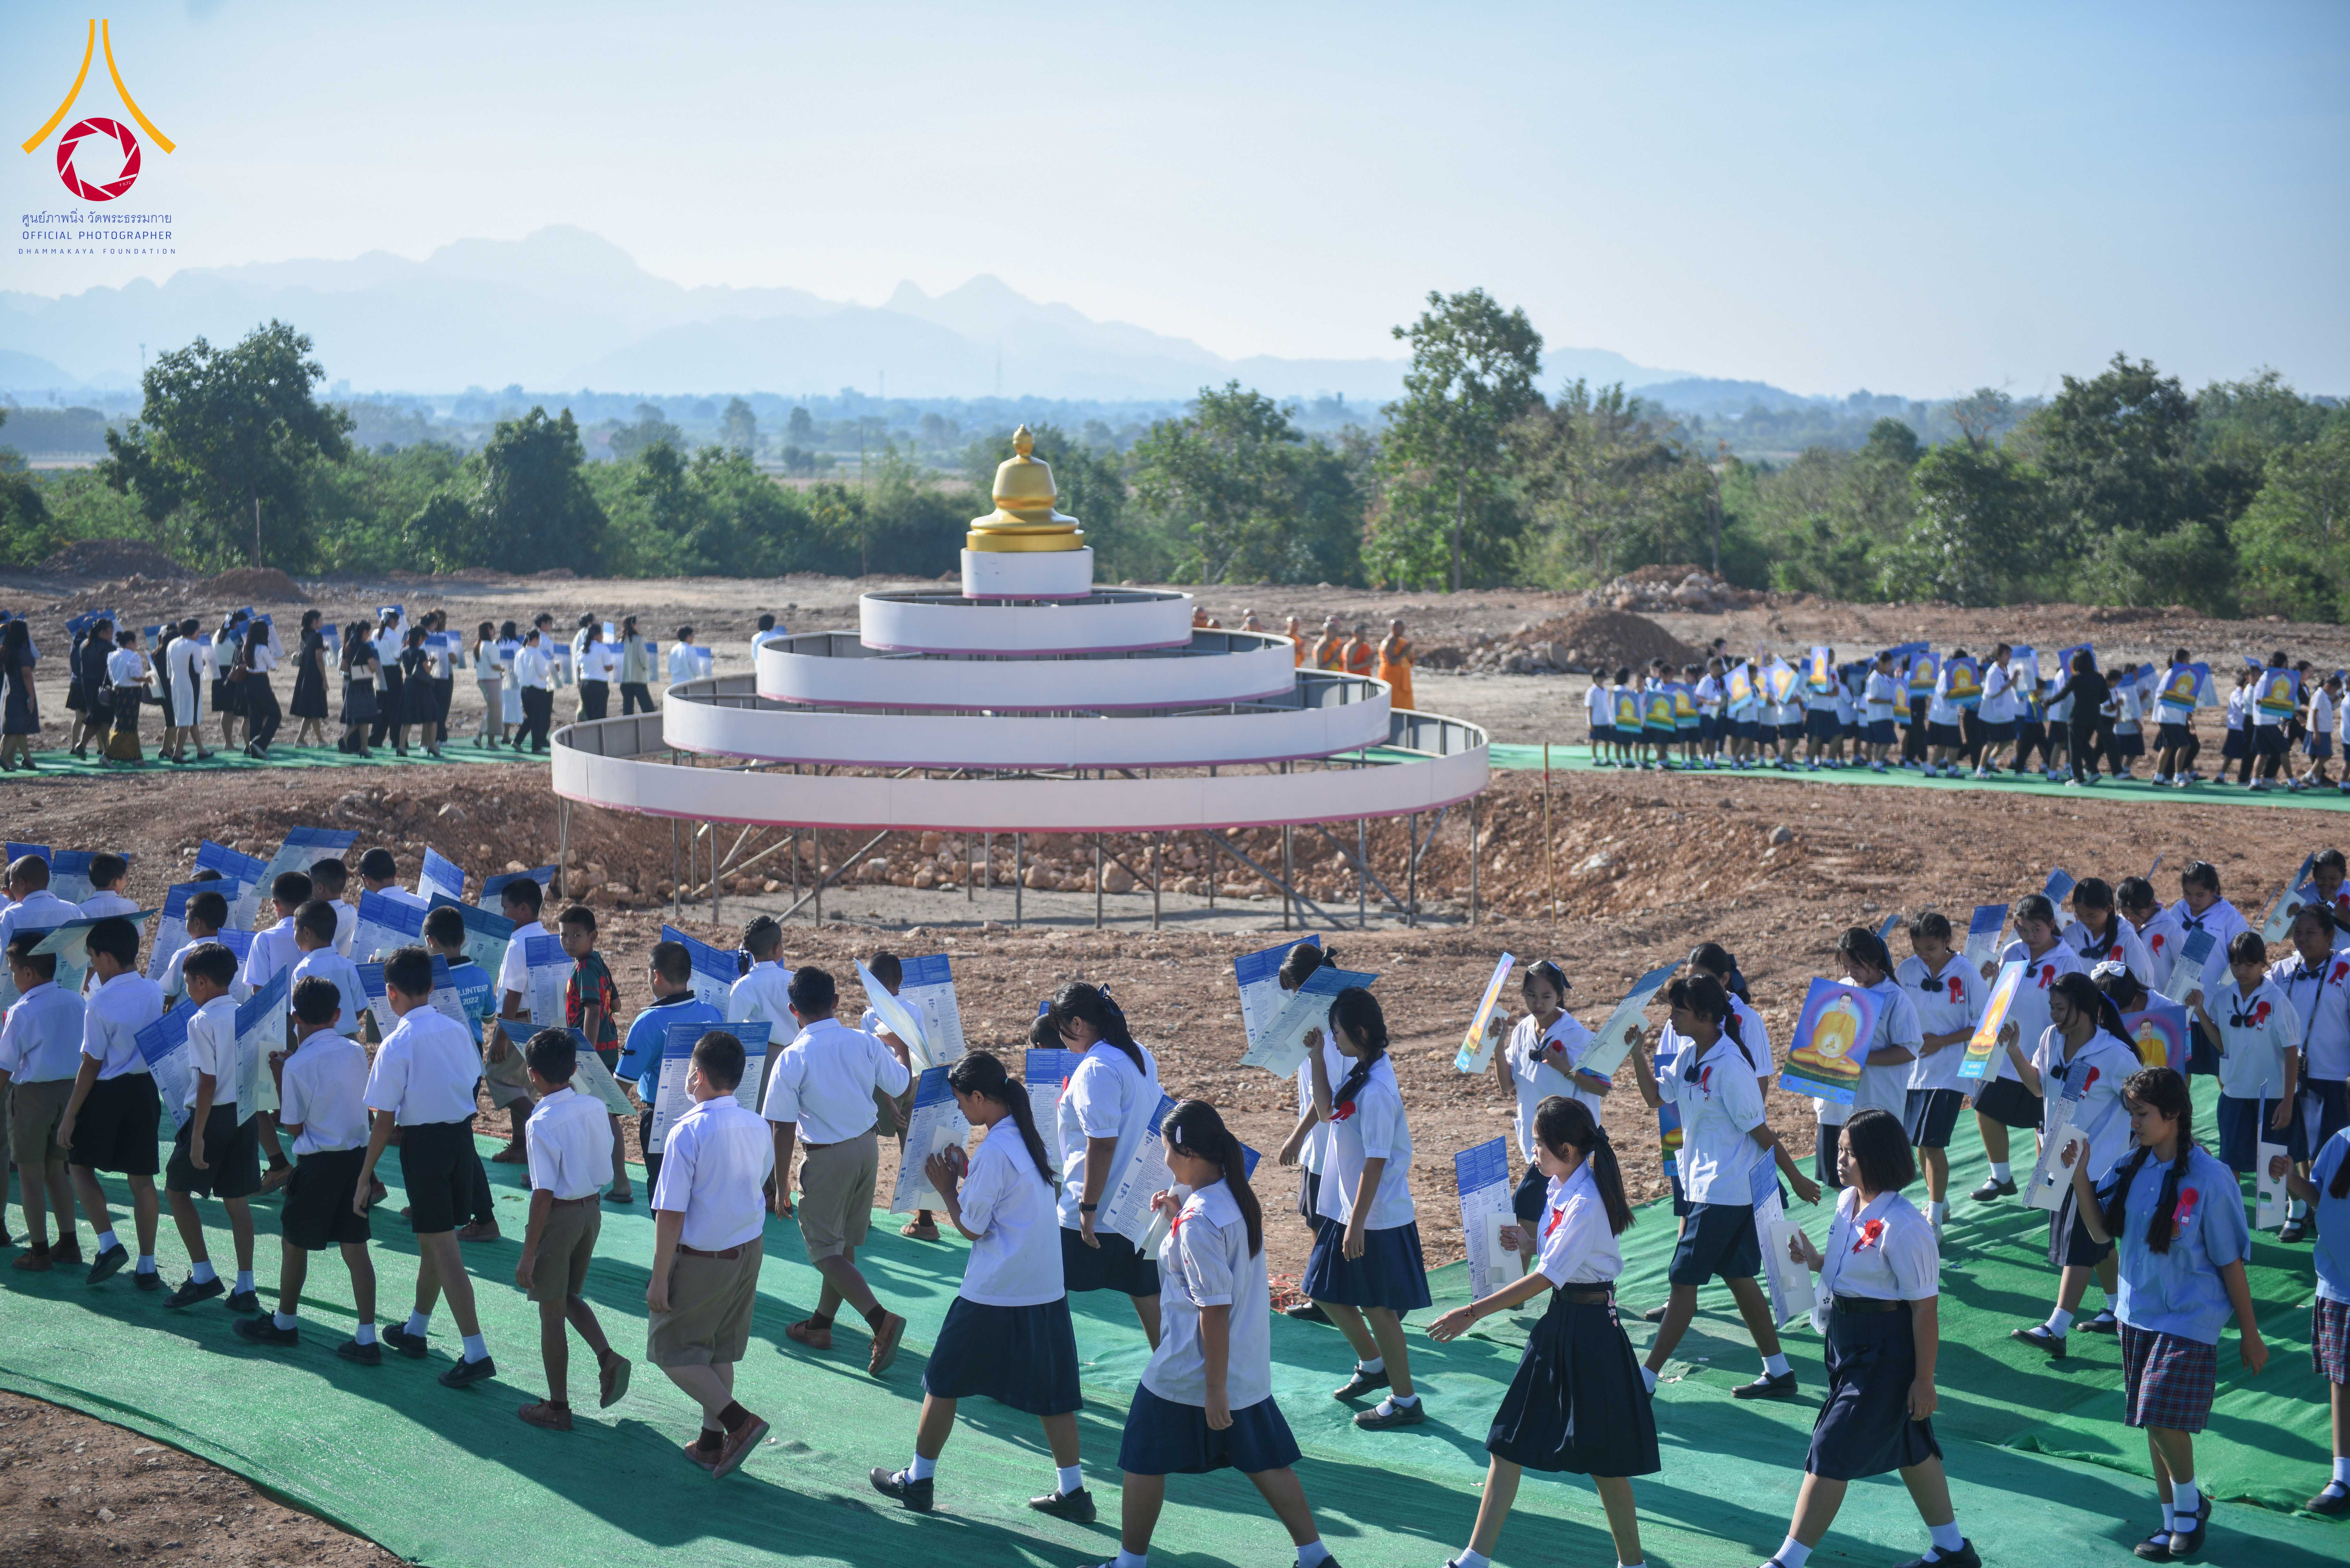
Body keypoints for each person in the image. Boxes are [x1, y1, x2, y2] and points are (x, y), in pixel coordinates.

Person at [1097, 1099, 1344, 1568]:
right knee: (1267, 1461)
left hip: (1191, 1369)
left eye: (1166, 1148)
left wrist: (1214, 1392)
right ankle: (1315, 1557)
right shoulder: (1231, 1196)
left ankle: (1130, 1564)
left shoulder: (1199, 1222)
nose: (1163, 1158)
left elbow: (1212, 1308)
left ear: (1188, 1153)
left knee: (1142, 1458)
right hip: (1245, 1365)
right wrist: (1177, 1213)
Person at [1427, 1095, 1655, 1568]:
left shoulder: (1586, 1201)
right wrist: (1529, 1240)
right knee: (1507, 1443)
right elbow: (1561, 1261)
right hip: (1561, 1325)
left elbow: (1546, 1277)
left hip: (1592, 1333)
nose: (1533, 1153)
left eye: (1539, 1145)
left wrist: (1470, 1314)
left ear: (1569, 1149)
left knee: (1606, 1465)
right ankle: (1474, 1560)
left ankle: (1633, 1565)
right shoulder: (1562, 1184)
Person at [869, 1050, 1090, 1519]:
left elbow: (972, 1226)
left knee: (942, 1381)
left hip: (997, 1289)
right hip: (1044, 1286)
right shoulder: (1027, 1139)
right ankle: (1074, 1493)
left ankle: (919, 1480)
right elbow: (1008, 1202)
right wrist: (967, 1176)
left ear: (978, 1097)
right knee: (1054, 1396)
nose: (962, 1114)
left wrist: (948, 1185)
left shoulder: (995, 1149)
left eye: (962, 1103)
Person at [2063, 1067, 2264, 1559]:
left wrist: (2251, 1333)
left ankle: (2191, 1508)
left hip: (2189, 1317)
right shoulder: (2133, 1166)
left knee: (2157, 1412)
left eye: (2143, 1114)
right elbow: (2099, 1234)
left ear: (2174, 1115)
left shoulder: (2211, 1178)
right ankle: (2174, 1519)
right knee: (2153, 1423)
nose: (2134, 1123)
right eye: (2131, 1113)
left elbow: (2231, 1262)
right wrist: (2081, 1174)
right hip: (2137, 1314)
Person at [1765, 1109, 1975, 1568]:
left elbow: (1924, 1309)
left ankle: (1787, 1561)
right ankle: (1953, 1550)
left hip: (1885, 1349)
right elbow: (1846, 1271)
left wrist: (1924, 1380)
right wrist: (1814, 1259)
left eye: (1851, 1153)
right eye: (1839, 1150)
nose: (1840, 1160)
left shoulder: (1907, 1227)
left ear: (1877, 1157)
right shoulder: (1847, 1203)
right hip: (1846, 1338)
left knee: (1830, 1446)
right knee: (1911, 1446)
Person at [1629, 974, 1808, 1398]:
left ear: (1706, 1017)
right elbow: (1656, 1098)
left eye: (1679, 1011)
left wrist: (1796, 1178)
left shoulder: (1729, 1067)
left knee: (1682, 1285)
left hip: (1723, 1193)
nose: (1670, 1017)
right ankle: (1779, 1371)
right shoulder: (1692, 1053)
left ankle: (1647, 1379)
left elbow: (1761, 1132)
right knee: (1739, 1278)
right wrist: (1636, 1053)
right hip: (1711, 1190)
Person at [357, 945, 497, 1387]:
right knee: (433, 1243)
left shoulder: (397, 1043)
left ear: (390, 993)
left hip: (425, 1148)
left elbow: (383, 1121)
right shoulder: (456, 1031)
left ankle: (476, 1352)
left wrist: (364, 1177)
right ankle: (417, 1329)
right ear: (433, 986)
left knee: (445, 1250)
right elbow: (475, 1080)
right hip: (461, 1141)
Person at [762, 965, 909, 1372]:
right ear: (837, 1003)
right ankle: (821, 1324)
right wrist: (900, 1044)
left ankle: (881, 1321)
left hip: (828, 1156)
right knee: (843, 1245)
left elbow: (782, 1125)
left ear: (794, 1011)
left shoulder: (793, 1056)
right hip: (867, 1149)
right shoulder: (863, 1041)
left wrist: (780, 1182)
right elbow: (899, 1085)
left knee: (824, 1250)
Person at [1302, 987, 1430, 1429]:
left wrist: (1357, 1226)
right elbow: (1325, 1112)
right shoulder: (1362, 1072)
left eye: (1337, 1032)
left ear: (1359, 1031)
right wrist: (1318, 1057)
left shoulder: (1376, 1089)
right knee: (1323, 1291)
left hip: (1372, 1217)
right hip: (1349, 1210)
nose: (1334, 1038)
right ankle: (1374, 1365)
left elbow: (1376, 1163)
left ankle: (1406, 1399)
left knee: (1381, 1310)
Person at [646, 1028, 772, 1477]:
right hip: (747, 1250)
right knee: (718, 1347)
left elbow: (671, 1213)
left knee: (671, 1350)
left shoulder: (687, 1131)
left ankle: (739, 1424)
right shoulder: (758, 1125)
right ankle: (710, 1442)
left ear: (697, 1076)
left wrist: (661, 1276)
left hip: (704, 1258)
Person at [236, 976, 378, 1360]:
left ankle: (285, 1322)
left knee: (293, 1243)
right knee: (356, 1248)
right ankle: (368, 1336)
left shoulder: (297, 1065)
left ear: (294, 1016)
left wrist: (283, 1073)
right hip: (355, 1161)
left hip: (317, 1164)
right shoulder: (354, 1051)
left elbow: (294, 1124)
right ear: (337, 1014)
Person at [2004, 974, 2142, 1355]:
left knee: (2080, 1244)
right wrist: (2015, 1050)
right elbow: (2037, 1087)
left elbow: (2142, 1101)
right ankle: (2118, 1309)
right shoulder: (2050, 1039)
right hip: (2058, 1160)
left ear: (2086, 1008)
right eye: (2052, 1007)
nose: (2054, 1014)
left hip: (2098, 1167)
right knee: (2097, 1243)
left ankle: (2056, 1327)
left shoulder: (2115, 1055)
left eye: (2061, 1007)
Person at [513, 1028, 633, 1430]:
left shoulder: (540, 1121)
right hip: (590, 1211)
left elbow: (543, 1193)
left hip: (560, 1216)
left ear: (533, 1074)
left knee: (551, 1314)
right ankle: (606, 1356)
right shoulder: (594, 1106)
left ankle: (558, 1407)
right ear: (575, 1068)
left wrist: (529, 1251)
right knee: (565, 1296)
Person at [1047, 981, 1166, 1346]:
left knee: (1047, 1291)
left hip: (1095, 1206)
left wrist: (1087, 1208)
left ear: (1079, 1024)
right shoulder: (1138, 1053)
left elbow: (1101, 1145)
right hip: (1137, 1205)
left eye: (1061, 1030)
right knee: (1146, 1292)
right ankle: (1177, 1377)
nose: (1063, 1040)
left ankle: (1047, 1373)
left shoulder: (1095, 1068)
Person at [58, 916, 164, 1286]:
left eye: (91, 957)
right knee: (143, 1180)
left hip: (108, 1092)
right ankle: (148, 1265)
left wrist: (70, 1115)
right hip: (144, 1091)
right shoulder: (154, 989)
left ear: (104, 958)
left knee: (79, 1165)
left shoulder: (100, 1002)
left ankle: (108, 1243)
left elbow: (91, 1063)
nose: (91, 966)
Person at [160, 943, 263, 1313]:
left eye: (188, 982)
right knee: (237, 1200)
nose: (187, 989)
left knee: (176, 1189)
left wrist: (198, 1135)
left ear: (202, 981)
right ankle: (246, 1285)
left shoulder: (201, 1021)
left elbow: (206, 1081)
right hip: (245, 1113)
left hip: (213, 1116)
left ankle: (203, 1274)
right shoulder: (246, 1013)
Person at [1491, 961, 1604, 1262]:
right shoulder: (1523, 1030)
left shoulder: (1577, 1037)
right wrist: (1497, 1048)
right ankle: (1563, 1274)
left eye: (1546, 996)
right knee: (1551, 1209)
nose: (1537, 1004)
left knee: (1526, 1204)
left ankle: (1518, 1287)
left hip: (1566, 1141)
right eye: (1531, 996)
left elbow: (1602, 1086)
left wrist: (1565, 1068)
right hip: (1536, 1140)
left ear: (1560, 997)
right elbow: (1507, 1086)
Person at [1970, 894, 2081, 1199]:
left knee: (2044, 1122)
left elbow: (2077, 1007)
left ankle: (2046, 1182)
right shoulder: (2012, 951)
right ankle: (2001, 1177)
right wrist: (1987, 981)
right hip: (2006, 1050)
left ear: (2051, 925)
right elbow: (1997, 999)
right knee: (1985, 1107)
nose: (2029, 937)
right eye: (2023, 929)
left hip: (2045, 1052)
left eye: (2037, 930)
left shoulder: (2067, 960)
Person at [2191, 930, 2303, 1219]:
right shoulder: (2224, 998)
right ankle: (2231, 1219)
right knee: (2230, 1162)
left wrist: (2288, 1102)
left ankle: (2286, 1213)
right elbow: (2222, 1044)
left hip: (2273, 1095)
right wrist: (2201, 1012)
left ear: (2263, 964)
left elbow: (2292, 1052)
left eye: (2250, 964)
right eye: (2236, 964)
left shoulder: (2277, 1000)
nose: (2242, 971)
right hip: (2235, 1093)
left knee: (2273, 1161)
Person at [2273, 1121, 2350, 1514]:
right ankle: (2342, 1475)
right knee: (2342, 1381)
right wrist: (2289, 1178)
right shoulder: (2339, 1142)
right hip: (2339, 1285)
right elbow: (2320, 1197)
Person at [1, 930, 86, 1270]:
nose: (11, 976)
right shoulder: (77, 1001)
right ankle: (69, 1243)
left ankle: (38, 1251)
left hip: (33, 1096)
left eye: (12, 970)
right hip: (70, 1093)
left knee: (29, 1175)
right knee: (57, 1172)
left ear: (28, 973)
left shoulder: (22, 1011)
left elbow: (5, 1066)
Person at [1897, 913, 1984, 1237]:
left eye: (1930, 948)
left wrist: (1942, 1041)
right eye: (1918, 948)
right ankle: (1941, 1202)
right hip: (1911, 1071)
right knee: (1918, 1142)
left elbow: (1985, 1021)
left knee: (1933, 1144)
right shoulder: (1906, 970)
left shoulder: (1966, 973)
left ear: (1947, 940)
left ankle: (1933, 1219)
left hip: (1949, 1070)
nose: (1924, 954)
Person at [616, 939, 725, 1194]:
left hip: (661, 1121)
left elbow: (623, 1084)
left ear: (656, 976)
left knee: (665, 1193)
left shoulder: (648, 1022)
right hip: (706, 1117)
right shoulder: (713, 1014)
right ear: (689, 975)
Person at [2275, 905, 2350, 1242]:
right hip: (2290, 1075)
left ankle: (2330, 1210)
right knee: (2293, 1144)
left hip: (2335, 1075)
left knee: (2328, 1148)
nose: (2302, 939)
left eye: (2310, 933)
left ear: (2330, 935)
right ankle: (2297, 1208)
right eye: (2298, 933)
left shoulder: (2345, 969)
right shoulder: (2282, 970)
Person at [857, 952, 937, 1240]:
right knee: (916, 1149)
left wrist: (888, 1103)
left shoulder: (870, 1016)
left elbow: (873, 1062)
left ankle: (860, 1215)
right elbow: (921, 1050)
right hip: (915, 1082)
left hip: (883, 1089)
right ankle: (925, 1221)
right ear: (900, 982)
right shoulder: (914, 1010)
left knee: (866, 1146)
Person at [560, 904, 633, 1204]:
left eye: (576, 935)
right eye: (564, 935)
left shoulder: (587, 968)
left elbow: (592, 1011)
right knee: (607, 1115)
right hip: (609, 1049)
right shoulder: (599, 964)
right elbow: (614, 1006)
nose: (569, 942)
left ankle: (573, 1177)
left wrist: (583, 1055)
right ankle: (621, 1180)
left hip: (592, 1053)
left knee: (576, 1112)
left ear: (594, 936)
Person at [2172, 861, 2250, 1077]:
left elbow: (2242, 959)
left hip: (2214, 1007)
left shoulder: (2230, 918)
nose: (2193, 900)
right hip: (2182, 1004)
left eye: (2200, 895)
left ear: (2215, 891)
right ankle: (2181, 1112)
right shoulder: (2177, 911)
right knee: (2180, 1070)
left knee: (2222, 1069)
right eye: (2187, 893)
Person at [102, 628, 150, 765]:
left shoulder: (112, 656)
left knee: (124, 724)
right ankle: (108, 755)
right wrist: (148, 679)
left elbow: (112, 676)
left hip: (118, 692)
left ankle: (136, 756)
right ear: (130, 642)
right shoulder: (133, 657)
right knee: (126, 726)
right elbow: (136, 677)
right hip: (131, 694)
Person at [0, 619, 40, 772]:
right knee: (16, 728)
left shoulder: (6, 649)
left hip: (9, 690)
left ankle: (27, 759)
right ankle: (4, 758)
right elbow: (27, 675)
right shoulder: (22, 651)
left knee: (19, 727)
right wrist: (31, 697)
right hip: (21, 692)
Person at [289, 610, 331, 747]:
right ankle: (315, 740)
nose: (323, 622)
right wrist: (325, 679)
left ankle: (314, 740)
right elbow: (319, 659)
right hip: (314, 676)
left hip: (305, 675)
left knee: (312, 710)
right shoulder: (317, 636)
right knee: (314, 709)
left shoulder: (305, 635)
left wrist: (323, 648)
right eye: (321, 620)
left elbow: (311, 652)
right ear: (315, 621)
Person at [338, 621, 378, 757]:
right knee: (365, 718)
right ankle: (353, 743)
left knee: (359, 718)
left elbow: (343, 667)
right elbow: (373, 667)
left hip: (351, 683)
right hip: (364, 685)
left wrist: (354, 670)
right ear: (365, 632)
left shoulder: (347, 647)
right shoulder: (366, 647)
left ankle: (362, 747)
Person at [515, 628, 556, 752]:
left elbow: (517, 671)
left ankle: (517, 741)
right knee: (538, 719)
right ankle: (536, 747)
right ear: (535, 639)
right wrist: (551, 669)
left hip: (524, 688)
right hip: (537, 689)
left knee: (530, 717)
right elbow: (543, 673)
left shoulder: (520, 653)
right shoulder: (537, 654)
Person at [78, 853, 136, 919]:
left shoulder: (81, 909)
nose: (126, 882)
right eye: (125, 878)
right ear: (116, 882)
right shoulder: (131, 907)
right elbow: (138, 930)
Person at [577, 620, 615, 721]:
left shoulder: (582, 649)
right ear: (597, 635)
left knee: (589, 715)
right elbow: (609, 668)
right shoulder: (603, 648)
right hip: (599, 685)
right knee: (599, 715)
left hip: (585, 684)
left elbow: (579, 668)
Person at [618, 614, 656, 715]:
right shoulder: (639, 640)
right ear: (633, 625)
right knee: (648, 709)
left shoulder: (621, 641)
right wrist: (647, 670)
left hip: (625, 680)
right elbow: (644, 659)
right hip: (639, 680)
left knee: (628, 711)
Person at [1376, 619, 1414, 711]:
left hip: (1404, 680)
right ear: (1393, 628)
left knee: (1405, 705)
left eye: (1403, 628)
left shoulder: (1403, 642)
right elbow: (1392, 662)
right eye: (1400, 628)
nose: (1402, 631)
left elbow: (1410, 660)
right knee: (1392, 703)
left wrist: (1407, 651)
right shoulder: (1388, 643)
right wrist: (1404, 651)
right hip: (1391, 678)